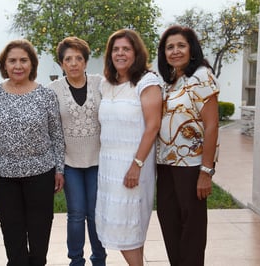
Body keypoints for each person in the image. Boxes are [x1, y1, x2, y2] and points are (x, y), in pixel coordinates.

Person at [0, 39, 65, 266]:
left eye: (23, 60)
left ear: (32, 64)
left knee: (40, 230)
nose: (18, 65)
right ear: (4, 65)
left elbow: (57, 135)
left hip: (40, 172)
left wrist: (59, 169)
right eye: (12, 61)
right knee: (12, 230)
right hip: (2, 174)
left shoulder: (46, 95)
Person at [95, 29, 162, 266]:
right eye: (115, 49)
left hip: (133, 165)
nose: (120, 53)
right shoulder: (106, 84)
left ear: (136, 53)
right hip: (109, 167)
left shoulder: (147, 82)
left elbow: (153, 126)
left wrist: (137, 164)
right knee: (126, 227)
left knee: (129, 224)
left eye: (126, 49)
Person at [156, 25, 220, 266]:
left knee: (191, 229)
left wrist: (206, 171)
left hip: (191, 166)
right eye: (169, 47)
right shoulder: (171, 80)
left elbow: (212, 126)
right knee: (169, 222)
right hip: (165, 164)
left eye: (181, 45)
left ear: (191, 49)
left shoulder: (202, 76)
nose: (175, 51)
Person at [47, 37, 107, 266]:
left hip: (98, 161)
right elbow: (51, 130)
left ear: (85, 61)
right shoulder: (52, 90)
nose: (73, 63)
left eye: (78, 58)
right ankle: (76, 261)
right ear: (61, 63)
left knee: (94, 215)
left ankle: (99, 259)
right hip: (70, 163)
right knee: (76, 214)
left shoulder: (100, 83)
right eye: (68, 59)